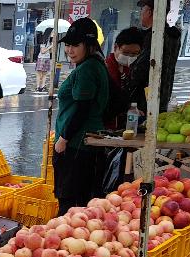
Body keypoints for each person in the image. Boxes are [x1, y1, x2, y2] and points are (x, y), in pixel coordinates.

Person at [52, 18, 110, 214]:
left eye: (75, 45)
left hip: (76, 144)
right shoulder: (93, 64)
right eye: (68, 44)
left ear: (90, 44)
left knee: (70, 201)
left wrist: (63, 138)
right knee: (81, 200)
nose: (70, 50)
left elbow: (82, 109)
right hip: (82, 142)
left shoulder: (87, 69)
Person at [123, 0, 182, 114]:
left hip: (146, 100)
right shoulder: (174, 36)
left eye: (142, 10)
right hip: (164, 96)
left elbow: (140, 70)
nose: (141, 14)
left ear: (149, 12)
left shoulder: (155, 36)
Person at [104, 27, 143, 128]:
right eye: (125, 53)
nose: (130, 57)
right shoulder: (107, 67)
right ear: (116, 47)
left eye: (134, 54)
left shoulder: (135, 68)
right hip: (108, 123)